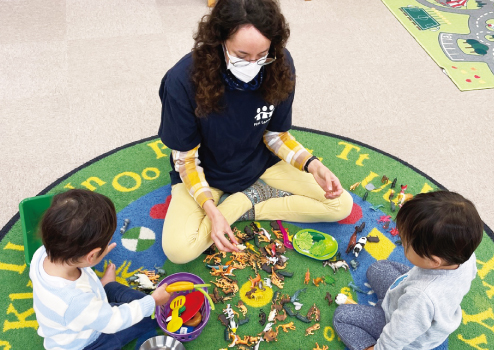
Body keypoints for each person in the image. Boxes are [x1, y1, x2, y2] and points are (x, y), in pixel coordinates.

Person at [158, 0, 353, 264]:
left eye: (262, 55)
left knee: (341, 204)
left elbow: (275, 135)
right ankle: (236, 204)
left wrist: (311, 164)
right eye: (241, 55)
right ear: (219, 40)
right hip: (206, 171)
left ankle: (245, 202)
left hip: (260, 162)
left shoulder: (280, 64)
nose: (253, 64)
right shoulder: (182, 80)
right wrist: (211, 211)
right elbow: (186, 159)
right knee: (178, 251)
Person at [333, 190, 483, 350]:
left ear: (433, 261)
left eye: (405, 244)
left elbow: (395, 337)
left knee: (342, 317)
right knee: (378, 268)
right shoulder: (463, 254)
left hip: (405, 328)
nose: (402, 243)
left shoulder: (420, 297)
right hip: (413, 300)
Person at [29, 189, 172, 350]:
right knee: (150, 315)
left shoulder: (42, 254)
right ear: (91, 257)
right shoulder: (74, 301)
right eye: (106, 245)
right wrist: (152, 302)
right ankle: (110, 289)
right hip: (85, 342)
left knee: (142, 305)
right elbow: (112, 322)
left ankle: (105, 286)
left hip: (86, 311)